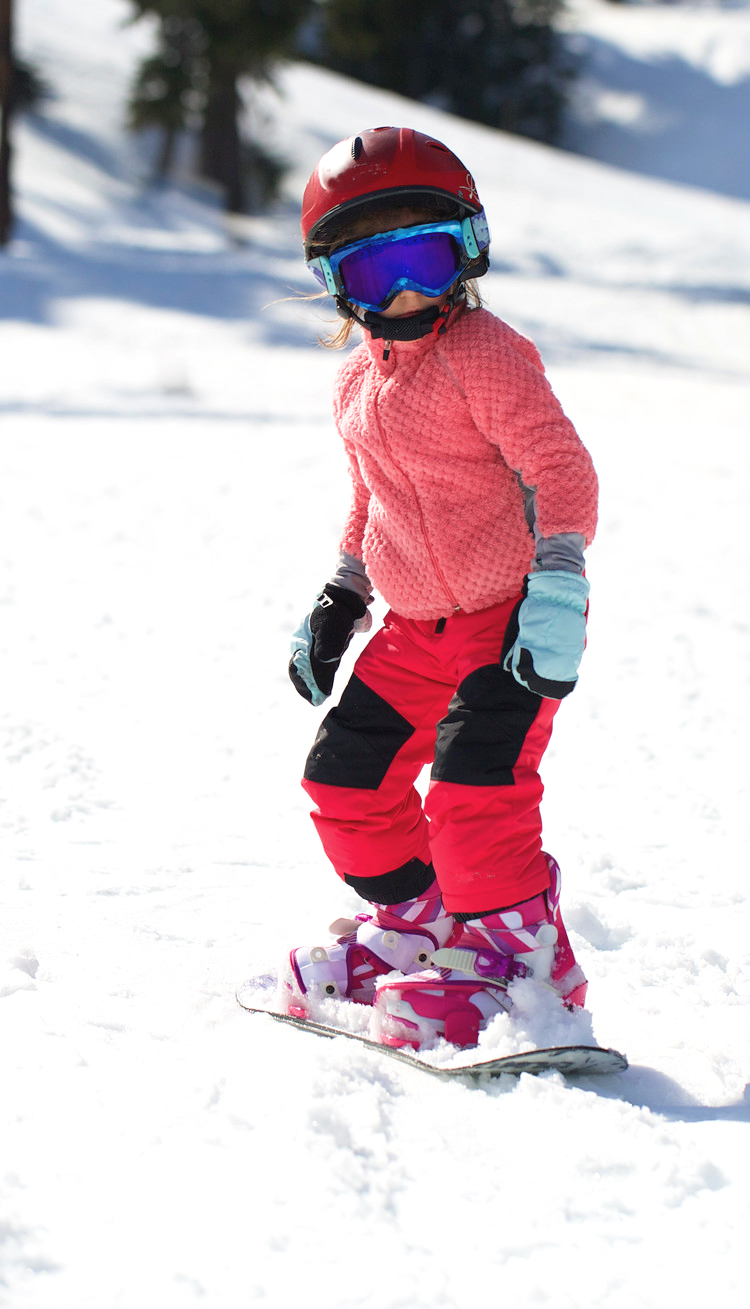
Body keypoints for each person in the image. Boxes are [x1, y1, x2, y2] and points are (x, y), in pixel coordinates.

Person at [281, 126, 599, 1051]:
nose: (406, 293)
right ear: (337, 285)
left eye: (424, 260)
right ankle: (424, 929)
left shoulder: (486, 355)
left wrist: (558, 583)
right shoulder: (355, 383)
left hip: (508, 621)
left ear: (469, 251)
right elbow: (369, 497)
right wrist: (343, 594)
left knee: (474, 789)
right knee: (345, 781)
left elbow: (562, 468)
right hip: (414, 626)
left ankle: (523, 967)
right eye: (374, 274)